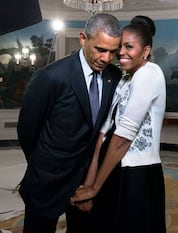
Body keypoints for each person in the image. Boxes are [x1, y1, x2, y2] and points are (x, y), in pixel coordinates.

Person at [16, 13, 122, 233]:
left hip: (87, 183)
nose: (106, 58)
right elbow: (27, 130)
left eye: (113, 51)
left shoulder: (114, 77)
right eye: (100, 49)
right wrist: (44, 165)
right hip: (47, 180)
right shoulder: (51, 77)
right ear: (83, 39)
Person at [71, 15, 167, 232]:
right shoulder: (124, 80)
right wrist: (90, 184)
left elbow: (124, 137)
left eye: (129, 47)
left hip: (138, 175)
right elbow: (101, 137)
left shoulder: (150, 73)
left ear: (145, 52)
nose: (121, 52)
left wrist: (94, 188)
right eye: (120, 47)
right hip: (112, 169)